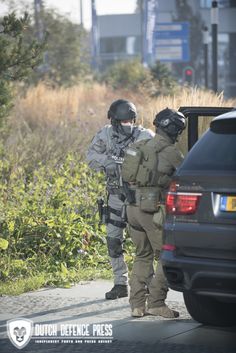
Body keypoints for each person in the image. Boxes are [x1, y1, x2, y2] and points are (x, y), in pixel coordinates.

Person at [121, 107, 186, 317]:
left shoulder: (139, 145)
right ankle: (156, 303)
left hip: (132, 209)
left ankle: (137, 306)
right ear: (175, 130)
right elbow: (189, 179)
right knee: (167, 256)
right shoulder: (172, 152)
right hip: (154, 212)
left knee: (142, 255)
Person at [86, 99, 154, 300]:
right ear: (114, 121)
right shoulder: (105, 134)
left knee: (142, 242)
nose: (127, 124)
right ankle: (119, 283)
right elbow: (90, 156)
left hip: (138, 198)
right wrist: (107, 162)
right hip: (116, 197)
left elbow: (157, 162)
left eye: (130, 120)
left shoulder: (145, 135)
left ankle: (147, 284)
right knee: (113, 240)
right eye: (123, 121)